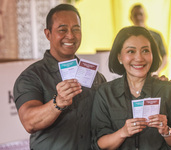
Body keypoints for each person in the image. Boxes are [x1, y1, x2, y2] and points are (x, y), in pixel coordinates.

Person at [13, 4, 106, 150]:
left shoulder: (95, 77)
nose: (70, 35)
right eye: (62, 30)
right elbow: (29, 122)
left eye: (76, 29)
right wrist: (58, 102)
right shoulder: (31, 77)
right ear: (48, 34)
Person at [91, 26, 171, 150]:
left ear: (152, 55)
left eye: (145, 51)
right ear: (119, 57)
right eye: (131, 51)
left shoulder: (169, 90)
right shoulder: (105, 93)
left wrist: (167, 131)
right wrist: (123, 132)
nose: (139, 58)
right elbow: (98, 144)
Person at [130, 4, 167, 77]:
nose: (138, 17)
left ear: (145, 16)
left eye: (140, 14)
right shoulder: (125, 37)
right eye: (135, 15)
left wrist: (156, 71)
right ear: (131, 18)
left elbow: (165, 57)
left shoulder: (156, 36)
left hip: (152, 78)